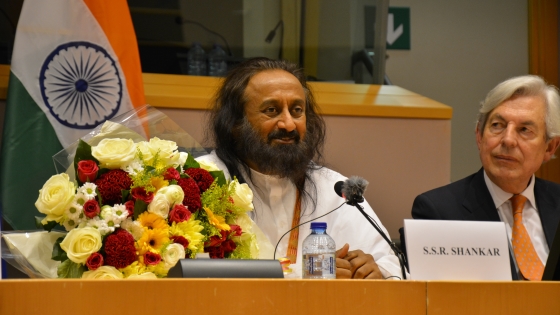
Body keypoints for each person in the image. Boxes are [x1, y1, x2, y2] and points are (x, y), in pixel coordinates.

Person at [198, 57, 403, 279]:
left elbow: (393, 265)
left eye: (297, 110)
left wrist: (376, 272)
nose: (288, 124)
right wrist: (309, 273)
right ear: (235, 124)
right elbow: (189, 271)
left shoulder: (334, 188)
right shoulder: (202, 182)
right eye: (271, 110)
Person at [411, 75, 560, 280]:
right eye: (498, 125)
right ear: (479, 136)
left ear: (550, 147)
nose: (508, 139)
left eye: (524, 130)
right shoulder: (438, 211)